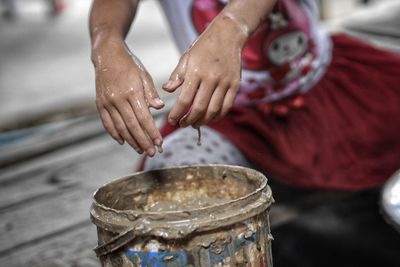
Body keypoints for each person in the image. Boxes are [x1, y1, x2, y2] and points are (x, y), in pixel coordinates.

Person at [89, 0, 400, 190]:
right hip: (224, 115)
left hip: (326, 86)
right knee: (177, 177)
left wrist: (232, 26)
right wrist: (107, 46)